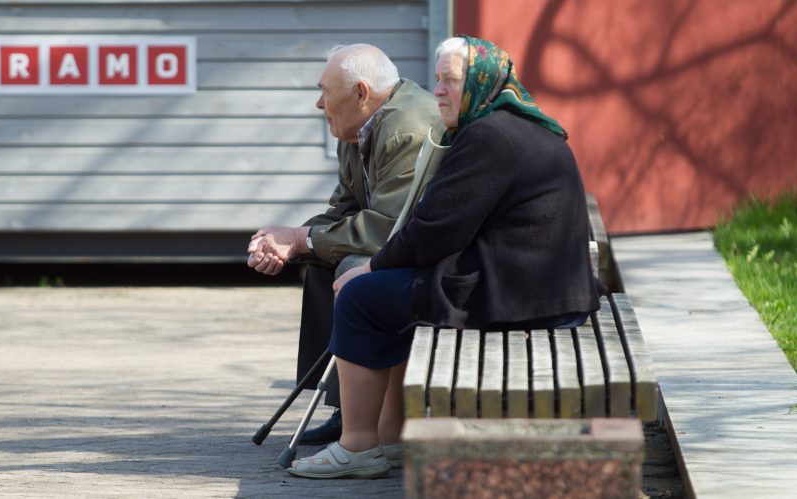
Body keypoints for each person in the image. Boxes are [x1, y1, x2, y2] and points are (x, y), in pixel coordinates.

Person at [286, 36, 601, 479]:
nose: (438, 91)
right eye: (437, 80)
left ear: (481, 83)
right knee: (384, 293)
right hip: (537, 286)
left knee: (361, 298)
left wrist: (372, 268)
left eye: (451, 81)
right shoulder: (512, 125)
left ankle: (357, 446)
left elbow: (433, 230)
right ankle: (392, 438)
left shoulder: (488, 137)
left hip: (519, 294)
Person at [247, 43, 444, 444]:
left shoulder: (405, 128)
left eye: (325, 91)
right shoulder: (359, 127)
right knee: (322, 262)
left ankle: (365, 428)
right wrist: (285, 241)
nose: (319, 103)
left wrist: (302, 239)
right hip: (406, 251)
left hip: (435, 260)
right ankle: (345, 407)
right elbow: (344, 210)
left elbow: (389, 226)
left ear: (360, 92)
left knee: (350, 270)